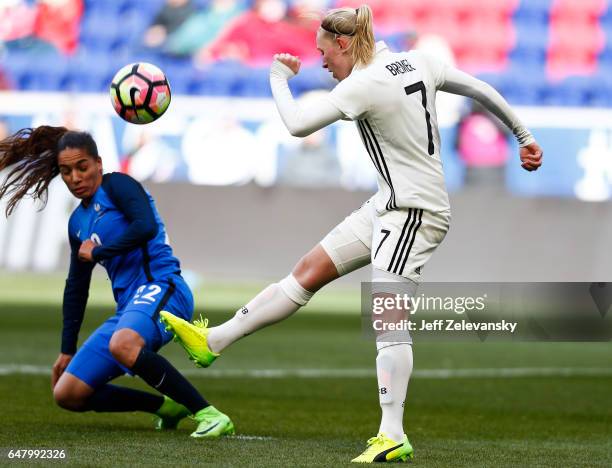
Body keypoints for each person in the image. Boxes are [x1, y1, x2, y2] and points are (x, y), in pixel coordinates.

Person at [161, 4, 543, 463]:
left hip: (413, 212)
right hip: (388, 203)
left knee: (387, 320)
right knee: (308, 270)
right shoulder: (416, 59)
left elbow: (298, 124)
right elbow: (478, 86)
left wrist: (278, 80)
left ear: (344, 44)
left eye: (325, 53)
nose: (322, 62)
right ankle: (214, 341)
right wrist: (523, 134)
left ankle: (392, 434)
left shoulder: (363, 84)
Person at [0, 126, 234, 438]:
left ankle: (208, 413)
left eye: (82, 167)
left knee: (122, 344)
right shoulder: (77, 223)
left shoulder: (118, 186)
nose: (75, 178)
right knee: (67, 392)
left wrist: (101, 251)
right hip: (129, 308)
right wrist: (66, 349)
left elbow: (145, 227)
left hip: (164, 289)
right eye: (66, 171)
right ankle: (166, 407)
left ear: (98, 163)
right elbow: (76, 286)